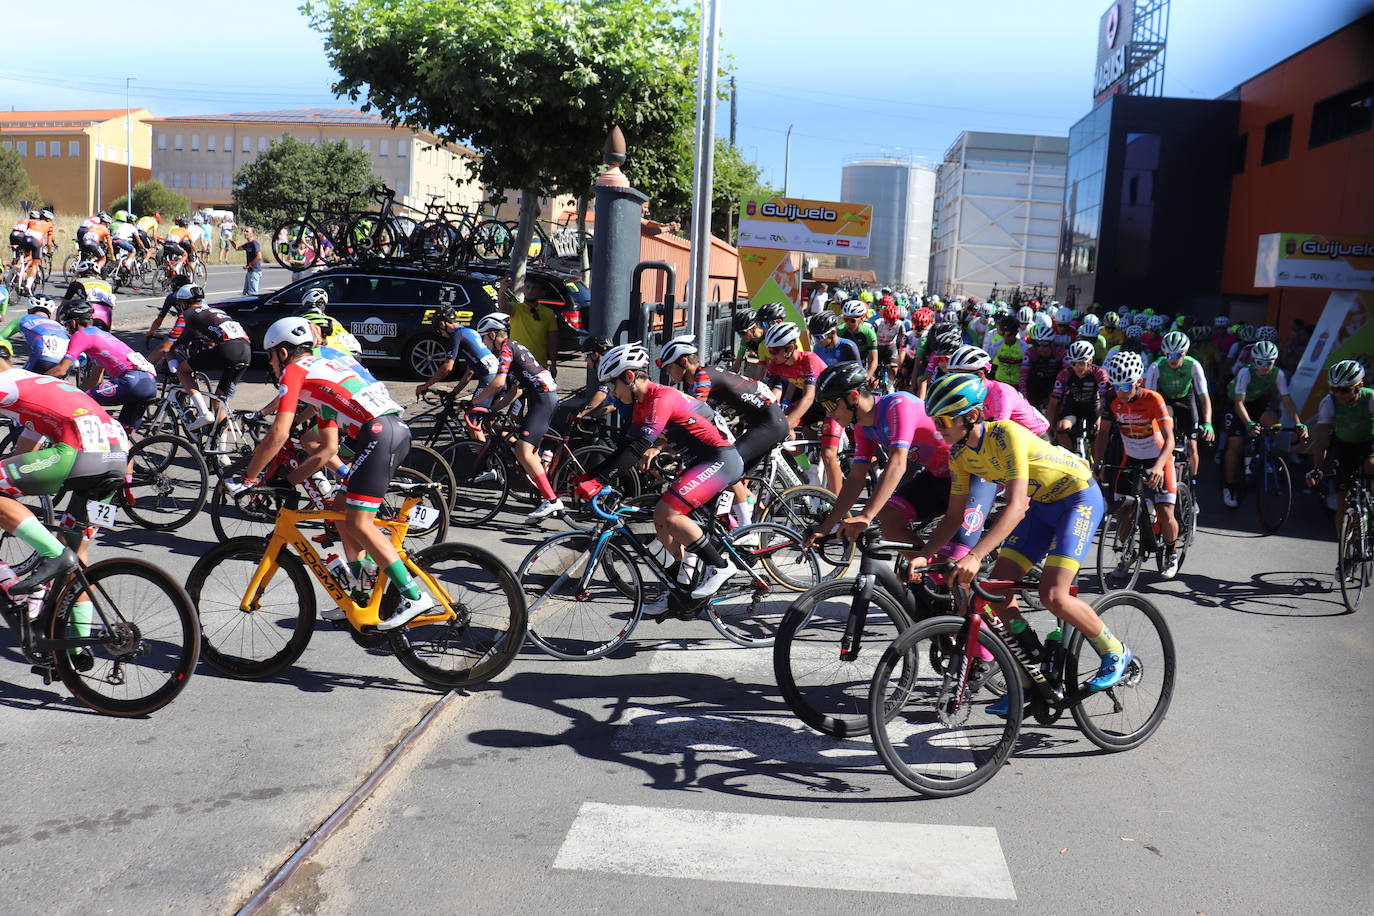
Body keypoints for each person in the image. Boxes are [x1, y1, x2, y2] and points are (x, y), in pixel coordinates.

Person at [908, 372, 1131, 713]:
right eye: (934, 419)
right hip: (1042, 507)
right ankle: (1031, 675)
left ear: (971, 416)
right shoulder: (960, 457)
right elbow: (954, 517)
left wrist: (976, 555)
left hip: (1077, 498)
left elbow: (1014, 506)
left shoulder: (1006, 434)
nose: (938, 426)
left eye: (943, 419)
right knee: (996, 591)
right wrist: (924, 555)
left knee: (1053, 594)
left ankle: (1114, 650)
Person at [231, 317, 433, 631]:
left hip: (379, 433)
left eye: (270, 355)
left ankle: (414, 595)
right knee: (340, 512)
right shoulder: (327, 362)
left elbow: (279, 433)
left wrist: (247, 480)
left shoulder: (294, 371)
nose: (270, 363)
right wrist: (285, 482)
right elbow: (326, 449)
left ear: (283, 353)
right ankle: (361, 594)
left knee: (358, 521)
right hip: (390, 430)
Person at [575, 343, 743, 603]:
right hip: (700, 461)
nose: (612, 393)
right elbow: (625, 449)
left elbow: (641, 446)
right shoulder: (641, 405)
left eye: (612, 385)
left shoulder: (661, 398)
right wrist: (589, 477)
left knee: (669, 513)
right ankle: (679, 588)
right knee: (661, 520)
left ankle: (720, 566)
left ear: (629, 377)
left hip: (720, 459)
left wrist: (598, 480)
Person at [808, 361, 995, 556]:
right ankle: (923, 577)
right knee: (889, 518)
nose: (829, 413)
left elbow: (898, 463)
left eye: (831, 404)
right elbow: (856, 478)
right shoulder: (863, 428)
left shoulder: (898, 404)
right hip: (938, 477)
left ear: (853, 397)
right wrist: (826, 526)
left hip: (973, 476)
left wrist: (866, 515)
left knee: (953, 564)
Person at [659, 334, 786, 531]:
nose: (668, 372)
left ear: (684, 362)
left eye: (669, 366)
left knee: (727, 466)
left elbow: (694, 412)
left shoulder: (703, 376)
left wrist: (662, 441)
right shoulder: (697, 379)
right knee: (732, 471)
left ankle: (747, 529)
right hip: (759, 423)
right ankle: (753, 515)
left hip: (769, 424)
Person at [466, 312, 564, 522]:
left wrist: (475, 402)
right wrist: (494, 408)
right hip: (539, 397)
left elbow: (498, 383)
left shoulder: (506, 349)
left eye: (483, 337)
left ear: (493, 335)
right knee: (523, 446)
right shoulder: (513, 346)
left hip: (542, 398)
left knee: (522, 450)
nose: (483, 342)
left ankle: (551, 500)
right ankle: (542, 468)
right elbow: (515, 390)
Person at [1095, 351, 1182, 580]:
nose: (1120, 393)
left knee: (1165, 512)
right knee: (1124, 512)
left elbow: (1170, 439)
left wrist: (1157, 467)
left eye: (1125, 387)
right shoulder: (1111, 401)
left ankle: (1171, 550)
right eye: (1116, 387)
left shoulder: (1154, 399)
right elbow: (1103, 434)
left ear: (1138, 382)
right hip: (1131, 458)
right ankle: (1127, 554)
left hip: (1158, 457)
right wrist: (1098, 463)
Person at [146, 284, 252, 429]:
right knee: (218, 402)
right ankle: (220, 450)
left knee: (183, 370)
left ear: (184, 302)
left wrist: (145, 365)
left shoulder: (187, 313)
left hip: (229, 348)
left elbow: (165, 346)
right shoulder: (214, 311)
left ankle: (203, 413)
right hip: (246, 351)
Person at [1221, 339, 1305, 508]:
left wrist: (1298, 423)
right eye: (1260, 362)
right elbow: (1239, 403)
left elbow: (1287, 399)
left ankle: (1265, 454)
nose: (1265, 366)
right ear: (1254, 361)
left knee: (1273, 422)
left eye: (1269, 362)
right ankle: (1229, 486)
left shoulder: (1277, 373)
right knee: (1235, 443)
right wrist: (1249, 424)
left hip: (1256, 401)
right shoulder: (1246, 372)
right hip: (1237, 402)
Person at [48, 301, 158, 430]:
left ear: (73, 323)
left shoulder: (80, 335)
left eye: (66, 325)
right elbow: (95, 380)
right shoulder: (103, 335)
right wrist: (77, 392)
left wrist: (36, 380)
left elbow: (61, 370)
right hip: (149, 384)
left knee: (78, 404)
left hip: (131, 382)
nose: (67, 329)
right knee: (123, 434)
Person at [762, 320, 842, 492]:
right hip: (812, 406)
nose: (771, 355)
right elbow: (764, 392)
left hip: (831, 406)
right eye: (769, 350)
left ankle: (837, 505)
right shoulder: (775, 364)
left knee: (828, 454)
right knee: (787, 435)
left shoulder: (809, 360)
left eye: (774, 351)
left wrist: (785, 424)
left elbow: (808, 397)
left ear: (790, 349)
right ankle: (809, 470)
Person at [1305, 360, 1374, 533]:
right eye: (1333, 389)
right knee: (1342, 498)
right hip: (1345, 445)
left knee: (1371, 465)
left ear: (1359, 386)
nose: (1338, 394)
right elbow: (1321, 440)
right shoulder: (1329, 402)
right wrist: (1317, 469)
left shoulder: (1371, 398)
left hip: (1369, 441)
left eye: (1343, 390)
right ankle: (1343, 553)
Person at [415, 305, 501, 437]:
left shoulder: (456, 335)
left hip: (488, 381)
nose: (442, 335)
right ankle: (511, 452)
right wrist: (455, 392)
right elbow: (470, 371)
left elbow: (447, 367)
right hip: (498, 377)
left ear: (442, 324)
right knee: (489, 425)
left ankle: (482, 457)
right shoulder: (470, 331)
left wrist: (425, 385)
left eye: (440, 331)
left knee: (472, 425)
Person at [1143, 330, 1213, 480]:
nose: (1172, 359)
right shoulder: (1156, 367)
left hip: (1186, 399)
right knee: (1166, 440)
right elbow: (1150, 398)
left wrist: (1208, 422)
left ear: (1185, 353)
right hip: (1165, 400)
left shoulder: (1193, 365)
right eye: (1168, 355)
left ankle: (1193, 483)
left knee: (1192, 447)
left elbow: (1204, 396)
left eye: (1177, 355)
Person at [1046, 340, 1110, 452]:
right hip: (1073, 408)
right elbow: (1053, 402)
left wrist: (1100, 419)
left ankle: (1096, 465)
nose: (1077, 367)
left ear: (1090, 361)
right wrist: (1050, 426)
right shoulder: (1065, 374)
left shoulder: (1099, 373)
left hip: (1093, 409)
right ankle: (1071, 457)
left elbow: (1105, 399)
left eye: (1081, 363)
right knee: (1061, 427)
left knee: (1097, 433)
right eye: (1073, 363)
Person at [0, 297, 70, 374]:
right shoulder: (57, 325)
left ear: (29, 311)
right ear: (50, 314)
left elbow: (1, 337)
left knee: (22, 382)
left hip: (42, 357)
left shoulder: (24, 318)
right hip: (66, 361)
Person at [506, 283, 560, 373]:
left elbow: (553, 341)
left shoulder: (548, 313)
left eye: (534, 288)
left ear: (541, 293)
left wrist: (553, 364)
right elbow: (502, 307)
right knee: (514, 387)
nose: (530, 291)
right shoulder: (516, 308)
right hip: (517, 361)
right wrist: (502, 290)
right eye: (527, 287)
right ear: (523, 289)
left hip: (538, 363)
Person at [61, 261, 117, 330]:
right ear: (97, 275)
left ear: (79, 274)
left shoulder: (77, 282)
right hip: (106, 318)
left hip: (89, 317)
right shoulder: (107, 284)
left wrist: (57, 320)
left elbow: (63, 304)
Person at [1020, 324, 1065, 410]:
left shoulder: (1060, 352)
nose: (1040, 348)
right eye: (1037, 344)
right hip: (1036, 385)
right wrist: (1024, 396)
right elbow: (1023, 377)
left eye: (1045, 344)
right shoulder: (1030, 352)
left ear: (1052, 344)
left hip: (1055, 384)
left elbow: (1066, 375)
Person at [839, 301, 878, 381]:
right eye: (846, 319)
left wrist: (867, 377)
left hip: (862, 366)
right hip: (843, 365)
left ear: (861, 319)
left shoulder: (869, 334)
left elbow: (873, 360)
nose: (849, 323)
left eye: (853, 321)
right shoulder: (839, 330)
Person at [237, 226, 262, 295]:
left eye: (247, 231)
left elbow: (259, 257)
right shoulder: (248, 244)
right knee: (246, 293)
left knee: (252, 294)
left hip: (255, 271)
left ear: (252, 234)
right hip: (250, 271)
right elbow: (237, 248)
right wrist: (230, 240)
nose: (244, 233)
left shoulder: (254, 243)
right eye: (244, 231)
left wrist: (249, 265)